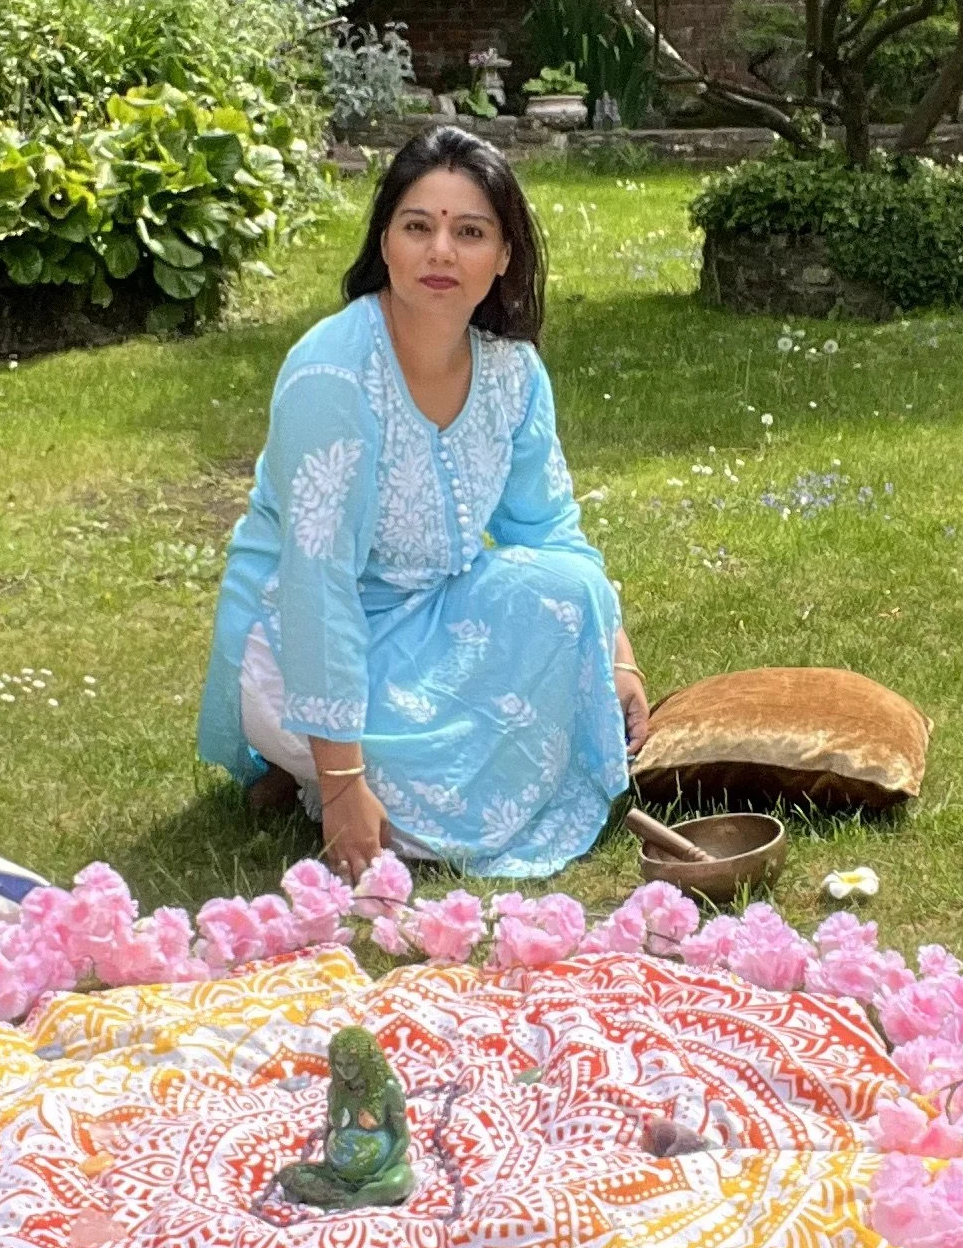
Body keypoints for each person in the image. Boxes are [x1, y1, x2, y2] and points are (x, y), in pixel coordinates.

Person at [198, 126, 648, 881]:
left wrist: (618, 660)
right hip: (296, 637)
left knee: (568, 591)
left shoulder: (512, 373)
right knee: (431, 804)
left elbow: (551, 532)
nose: (441, 252)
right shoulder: (330, 378)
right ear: (384, 242)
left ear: (503, 256)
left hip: (432, 618)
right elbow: (318, 587)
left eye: (469, 232)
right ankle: (309, 763)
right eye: (418, 226)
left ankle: (331, 769)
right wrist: (344, 788)